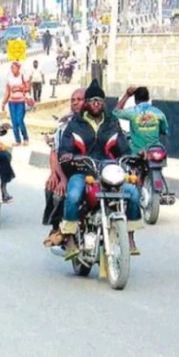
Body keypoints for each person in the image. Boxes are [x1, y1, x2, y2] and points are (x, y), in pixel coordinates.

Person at [56, 79, 143, 257]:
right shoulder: (74, 125)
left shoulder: (112, 124)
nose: (95, 104)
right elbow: (64, 149)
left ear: (103, 103)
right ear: (86, 103)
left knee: (133, 193)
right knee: (73, 195)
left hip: (110, 173)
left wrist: (134, 156)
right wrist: (68, 156)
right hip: (83, 172)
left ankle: (130, 236)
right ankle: (70, 237)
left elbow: (123, 147)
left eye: (99, 101)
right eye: (92, 100)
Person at [43, 88, 85, 246]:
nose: (75, 103)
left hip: (95, 169)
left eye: (79, 99)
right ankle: (56, 228)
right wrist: (57, 176)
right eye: (73, 100)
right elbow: (55, 150)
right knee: (56, 189)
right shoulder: (64, 123)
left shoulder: (100, 120)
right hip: (69, 169)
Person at [114, 86, 170, 155]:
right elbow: (165, 131)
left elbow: (115, 112)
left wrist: (127, 95)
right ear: (148, 98)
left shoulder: (133, 112)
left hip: (137, 152)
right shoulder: (158, 113)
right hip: (154, 152)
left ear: (135, 100)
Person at [1, 62, 30, 146]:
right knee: (14, 122)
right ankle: (17, 140)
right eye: (11, 68)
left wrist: (20, 88)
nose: (13, 69)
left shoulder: (23, 76)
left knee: (19, 120)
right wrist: (4, 102)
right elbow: (7, 91)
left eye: (14, 67)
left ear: (18, 68)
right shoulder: (9, 78)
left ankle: (25, 137)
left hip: (21, 101)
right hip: (11, 102)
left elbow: (28, 87)